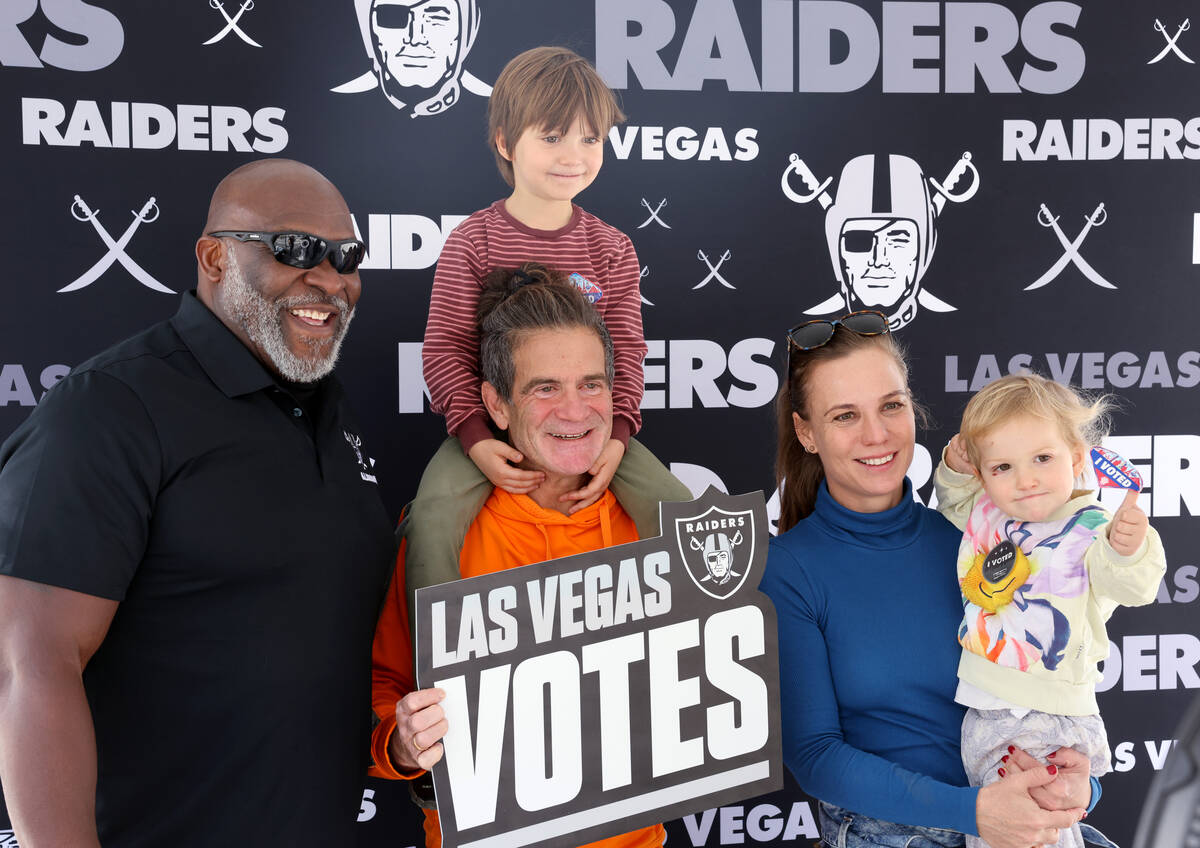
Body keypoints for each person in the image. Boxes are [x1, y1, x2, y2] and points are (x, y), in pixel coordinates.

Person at [0, 159, 397, 846]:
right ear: (215, 258)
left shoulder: (328, 410)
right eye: (294, 249)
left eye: (346, 255)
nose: (329, 278)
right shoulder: (113, 407)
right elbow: (28, 663)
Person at [759, 311, 1114, 848]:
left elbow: (1053, 696)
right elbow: (815, 757)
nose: (876, 434)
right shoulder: (788, 568)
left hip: (1029, 824)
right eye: (845, 416)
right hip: (893, 835)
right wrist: (972, 812)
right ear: (806, 432)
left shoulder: (978, 539)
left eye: (891, 406)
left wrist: (1077, 786)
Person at [370, 264, 669, 848]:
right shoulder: (439, 536)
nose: (575, 410)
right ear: (496, 406)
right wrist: (402, 744)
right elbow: (385, 692)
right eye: (544, 388)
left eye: (591, 384)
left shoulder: (653, 525)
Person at [410, 45, 689, 612]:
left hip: (591, 431)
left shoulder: (611, 247)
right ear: (506, 143)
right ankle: (432, 670)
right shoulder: (473, 241)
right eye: (553, 137)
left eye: (591, 139)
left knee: (675, 504)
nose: (573, 156)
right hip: (489, 430)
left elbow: (627, 355)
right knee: (433, 515)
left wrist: (618, 436)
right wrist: (476, 438)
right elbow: (444, 350)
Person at [934, 374, 1165, 848]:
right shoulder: (990, 512)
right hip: (986, 709)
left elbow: (1133, 585)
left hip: (1049, 710)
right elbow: (957, 503)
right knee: (1000, 831)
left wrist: (1130, 549)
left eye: (1042, 458)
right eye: (1002, 467)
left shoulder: (1094, 527)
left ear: (1077, 458)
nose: (1025, 480)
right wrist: (955, 471)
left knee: (1034, 831)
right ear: (983, 475)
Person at [365, 0, 480, 116]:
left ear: (464, 31)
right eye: (394, 16)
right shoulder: (350, 109)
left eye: (436, 18)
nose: (415, 39)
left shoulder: (491, 108)